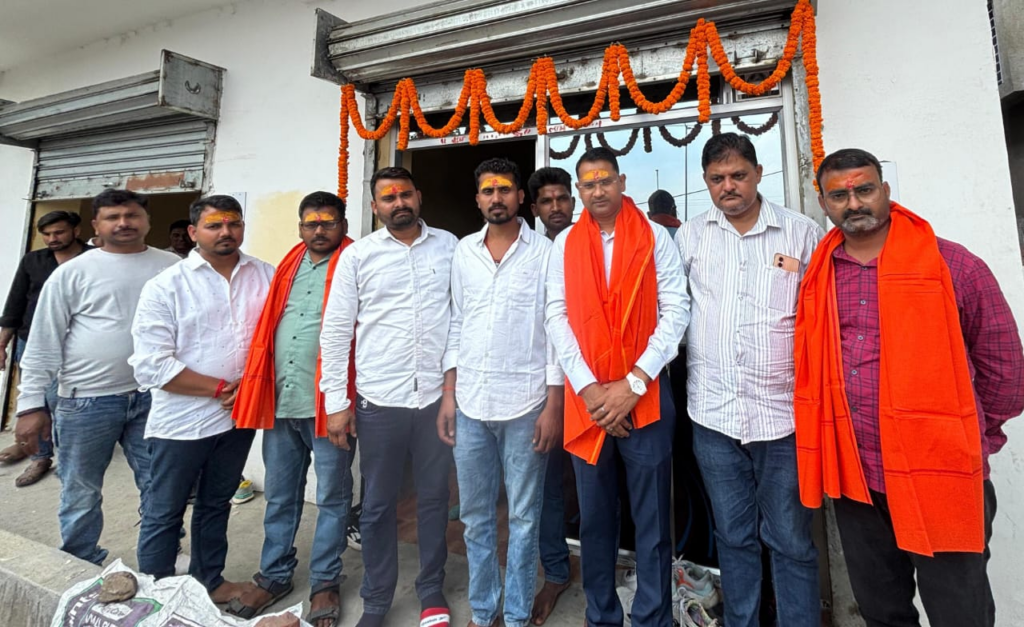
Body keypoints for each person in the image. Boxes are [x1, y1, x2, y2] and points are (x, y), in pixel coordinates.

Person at [795, 148, 1024, 627]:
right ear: (823, 203)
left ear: (885, 191)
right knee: (881, 611)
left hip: (940, 474)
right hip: (858, 476)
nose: (853, 203)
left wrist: (970, 438)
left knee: (960, 613)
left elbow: (1004, 368)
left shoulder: (952, 265)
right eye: (839, 196)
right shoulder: (821, 272)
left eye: (864, 190)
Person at [675, 133, 823, 626]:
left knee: (791, 540)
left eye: (738, 175)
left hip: (783, 419)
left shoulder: (801, 235)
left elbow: (821, 317)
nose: (729, 186)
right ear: (705, 182)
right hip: (713, 416)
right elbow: (672, 309)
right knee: (734, 538)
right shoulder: (690, 237)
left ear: (758, 174)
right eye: (717, 178)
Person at [545, 147, 689, 627]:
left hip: (645, 397)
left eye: (605, 180)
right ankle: (601, 616)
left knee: (652, 520)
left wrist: (634, 382)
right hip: (587, 402)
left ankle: (652, 617)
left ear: (622, 182)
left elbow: (676, 311)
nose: (598, 190)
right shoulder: (565, 244)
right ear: (579, 191)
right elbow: (556, 317)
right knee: (594, 520)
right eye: (588, 184)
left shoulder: (654, 236)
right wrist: (590, 391)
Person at [320, 167, 457, 627]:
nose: (399, 203)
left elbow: (459, 319)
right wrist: (336, 403)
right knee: (377, 504)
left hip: (434, 399)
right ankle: (377, 601)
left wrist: (452, 391)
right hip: (379, 401)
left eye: (405, 195)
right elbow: (336, 332)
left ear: (418, 197)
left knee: (434, 498)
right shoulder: (358, 257)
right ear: (375, 206)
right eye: (388, 197)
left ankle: (431, 589)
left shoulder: (450, 247)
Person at [13, 189, 179, 564]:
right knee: (81, 489)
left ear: (147, 220)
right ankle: (80, 561)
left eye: (132, 215)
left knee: (160, 483)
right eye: (112, 217)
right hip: (85, 400)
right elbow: (43, 342)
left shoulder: (172, 266)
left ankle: (161, 558)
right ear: (95, 225)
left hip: (155, 396)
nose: (123, 223)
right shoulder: (72, 273)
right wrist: (31, 404)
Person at [129, 195, 274, 604]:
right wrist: (221, 388)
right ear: (194, 232)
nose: (226, 232)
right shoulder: (167, 285)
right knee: (164, 510)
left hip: (238, 418)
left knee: (216, 503)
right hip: (181, 421)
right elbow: (151, 365)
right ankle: (157, 595)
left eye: (233, 224)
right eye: (214, 225)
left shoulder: (265, 274)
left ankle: (210, 581)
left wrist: (249, 388)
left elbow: (277, 338)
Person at [440, 158, 563, 627]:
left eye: (505, 189)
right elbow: (456, 323)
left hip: (527, 404)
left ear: (520, 198)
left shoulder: (545, 254)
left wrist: (554, 404)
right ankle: (483, 608)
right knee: (475, 516)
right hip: (471, 402)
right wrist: (449, 394)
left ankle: (515, 615)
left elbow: (556, 331)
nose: (497, 198)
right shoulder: (464, 253)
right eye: (488, 190)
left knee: (525, 517)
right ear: (478, 199)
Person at [229, 191, 357, 626]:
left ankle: (324, 582)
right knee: (281, 495)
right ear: (300, 227)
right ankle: (274, 575)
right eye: (310, 223)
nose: (319, 230)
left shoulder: (357, 263)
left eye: (328, 222)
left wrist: (346, 403)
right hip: (283, 401)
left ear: (343, 225)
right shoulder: (286, 265)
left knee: (333, 497)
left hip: (329, 405)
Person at [0, 211, 92, 486]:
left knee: (67, 403)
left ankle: (70, 458)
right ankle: (40, 456)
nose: (52, 239)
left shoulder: (95, 259)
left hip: (79, 343)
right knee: (35, 399)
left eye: (59, 232)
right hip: (32, 340)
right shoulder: (33, 260)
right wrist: (2, 343)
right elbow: (15, 302)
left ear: (76, 231)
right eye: (47, 234)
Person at [525, 166, 575, 625]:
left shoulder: (589, 244)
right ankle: (556, 570)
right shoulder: (534, 254)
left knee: (602, 485)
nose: (555, 207)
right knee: (547, 487)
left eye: (562, 198)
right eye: (547, 200)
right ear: (534, 208)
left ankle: (605, 567)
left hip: (598, 388)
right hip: (545, 390)